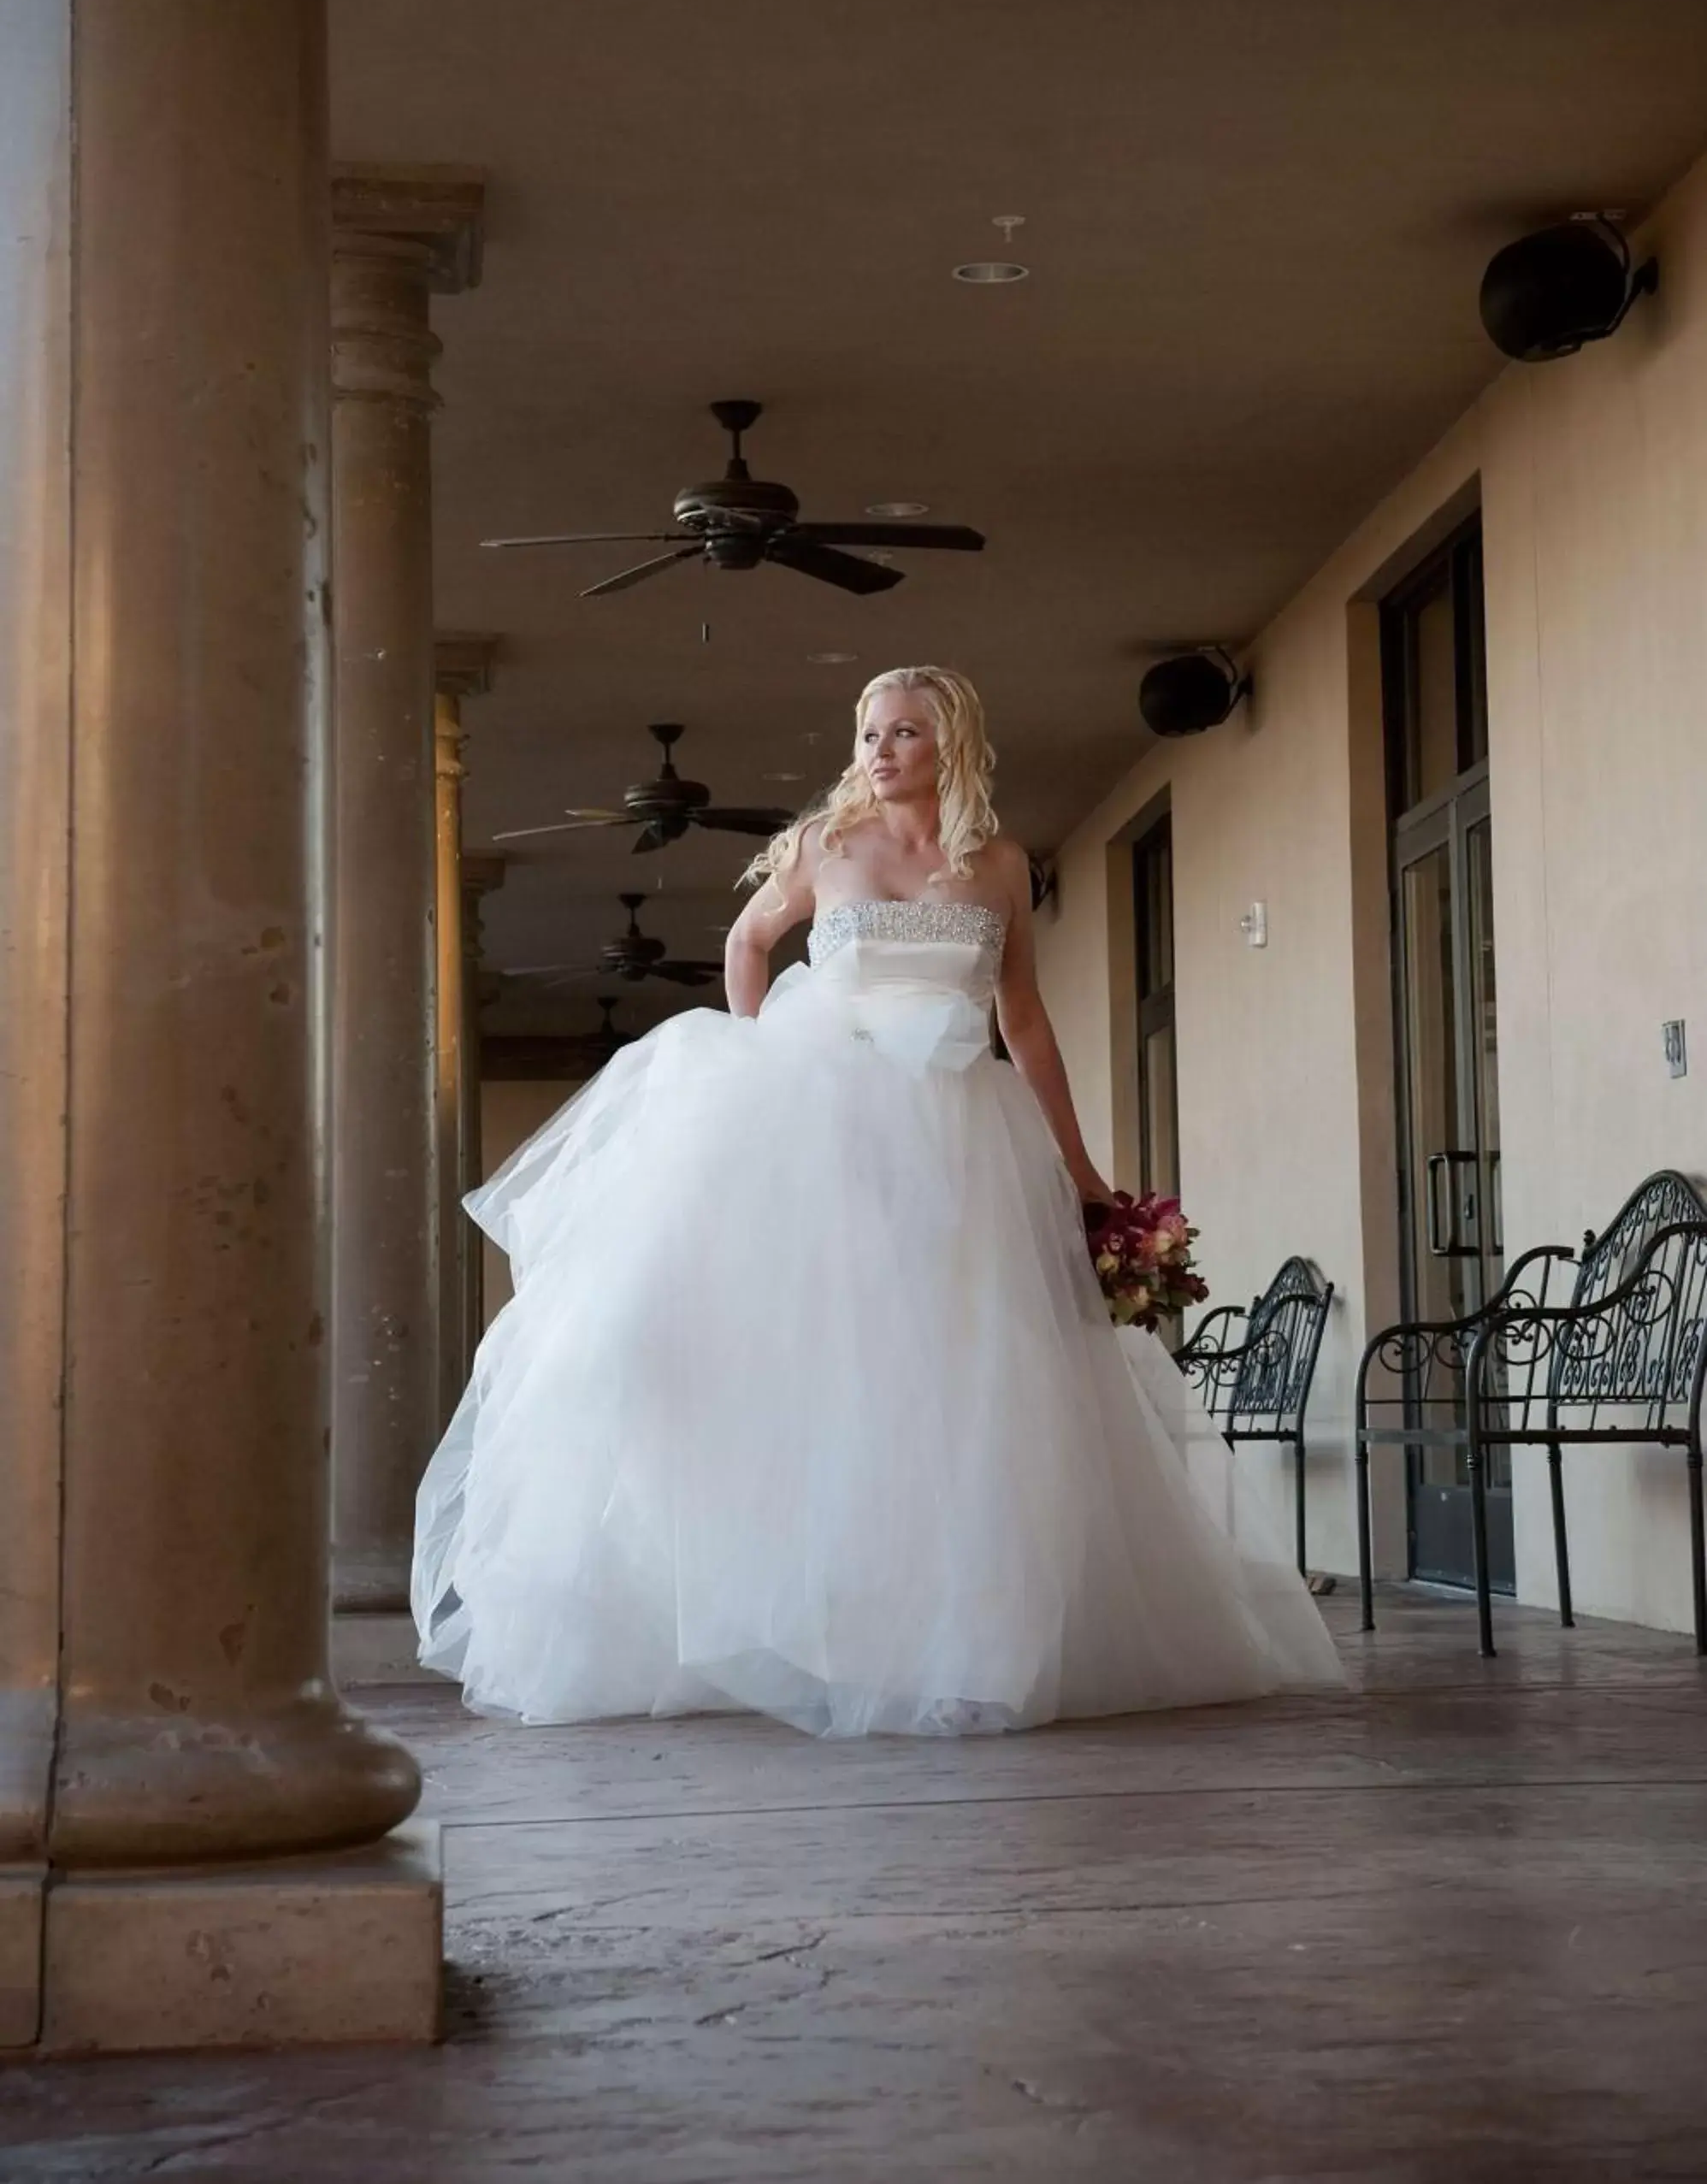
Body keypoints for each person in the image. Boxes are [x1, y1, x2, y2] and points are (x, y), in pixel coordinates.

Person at [413, 665, 1341, 1735]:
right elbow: (748, 942)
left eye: (903, 733)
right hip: (829, 1124)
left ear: (952, 745)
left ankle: (949, 1628)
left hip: (960, 1132)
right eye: (866, 734)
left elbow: (1024, 1020)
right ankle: (798, 1614)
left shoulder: (998, 866)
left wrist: (1082, 1169)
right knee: (825, 1367)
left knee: (961, 1376)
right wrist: (762, 1066)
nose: (879, 752)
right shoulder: (824, 849)